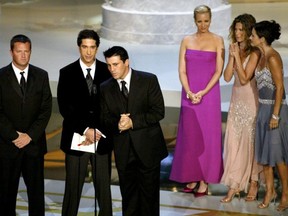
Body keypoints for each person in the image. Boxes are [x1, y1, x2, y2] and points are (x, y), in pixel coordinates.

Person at [100, 46, 168, 216]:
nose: (112, 69)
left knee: (149, 199)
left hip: (148, 149)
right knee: (129, 198)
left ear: (127, 62)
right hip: (124, 150)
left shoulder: (148, 80)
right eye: (109, 65)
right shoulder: (105, 87)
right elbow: (104, 118)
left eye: (115, 64)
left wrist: (132, 122)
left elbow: (158, 112)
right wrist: (118, 123)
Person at [169, 5, 224, 197]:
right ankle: (192, 176)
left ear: (210, 19)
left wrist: (202, 92)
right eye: (199, 21)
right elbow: (181, 70)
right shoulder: (186, 40)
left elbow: (218, 71)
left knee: (208, 137)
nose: (203, 25)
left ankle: (204, 180)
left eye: (206, 21)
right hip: (189, 95)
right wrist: (189, 91)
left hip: (209, 96)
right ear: (195, 20)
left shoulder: (218, 40)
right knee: (190, 137)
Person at [57, 29, 112, 216]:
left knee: (104, 189)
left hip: (101, 139)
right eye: (84, 47)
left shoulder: (108, 71)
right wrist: (85, 129)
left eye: (92, 47)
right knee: (73, 189)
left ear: (97, 48)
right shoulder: (66, 73)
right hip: (76, 139)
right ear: (79, 47)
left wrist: (97, 132)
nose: (88, 52)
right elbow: (65, 108)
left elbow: (112, 107)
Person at [0, 34, 52, 216]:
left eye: (26, 51)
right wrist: (15, 136)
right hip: (8, 146)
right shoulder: (0, 76)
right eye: (19, 51)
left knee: (36, 195)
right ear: (11, 52)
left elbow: (45, 110)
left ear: (30, 52)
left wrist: (29, 136)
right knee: (6, 195)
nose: (23, 55)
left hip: (34, 146)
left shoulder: (42, 75)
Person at [220, 14, 263, 203]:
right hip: (236, 103)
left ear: (248, 31)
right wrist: (232, 56)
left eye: (241, 30)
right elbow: (228, 77)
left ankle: (253, 182)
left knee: (249, 145)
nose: (237, 33)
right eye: (235, 29)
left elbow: (245, 78)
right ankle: (234, 185)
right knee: (233, 144)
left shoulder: (255, 53)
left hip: (251, 103)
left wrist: (238, 56)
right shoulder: (234, 49)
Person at [249, 20, 288, 211]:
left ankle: (286, 195)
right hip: (263, 109)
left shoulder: (273, 57)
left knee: (278, 156)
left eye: (253, 35)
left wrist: (275, 116)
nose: (250, 38)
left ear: (262, 38)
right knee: (264, 155)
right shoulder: (261, 56)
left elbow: (280, 87)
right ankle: (270, 191)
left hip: (275, 110)